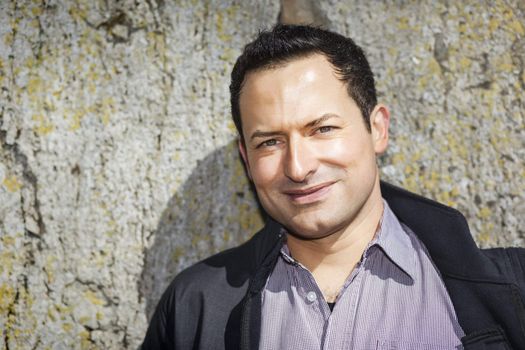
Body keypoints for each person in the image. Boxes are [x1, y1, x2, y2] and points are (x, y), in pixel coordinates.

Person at [142, 25, 525, 350]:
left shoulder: (511, 290)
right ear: (246, 157)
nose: (298, 167)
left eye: (322, 129)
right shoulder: (195, 307)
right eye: (269, 142)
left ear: (377, 129)